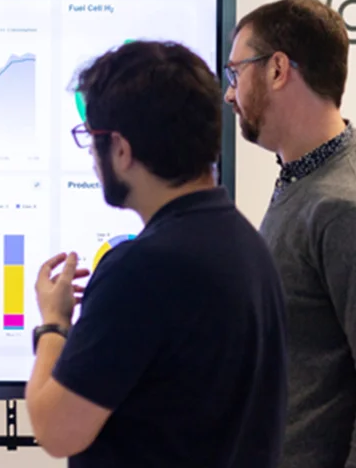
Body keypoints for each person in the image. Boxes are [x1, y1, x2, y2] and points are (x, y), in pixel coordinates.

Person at [26, 40, 287, 467]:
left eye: (91, 140)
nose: (92, 159)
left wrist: (53, 325)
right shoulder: (246, 244)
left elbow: (55, 430)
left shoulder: (142, 270)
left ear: (122, 150)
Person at [224, 0, 356, 468]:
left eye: (236, 73)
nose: (230, 94)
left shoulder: (350, 209)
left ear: (277, 69)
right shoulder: (304, 178)